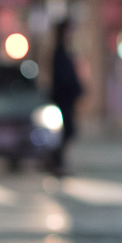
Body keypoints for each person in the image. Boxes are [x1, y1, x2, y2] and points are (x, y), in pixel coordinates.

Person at [50, 19, 84, 173]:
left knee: (68, 131)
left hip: (66, 98)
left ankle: (59, 161)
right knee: (65, 130)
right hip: (62, 98)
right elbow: (62, 78)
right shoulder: (59, 52)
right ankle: (57, 162)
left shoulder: (65, 51)